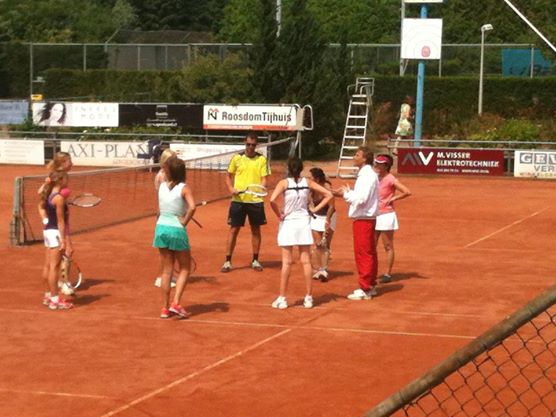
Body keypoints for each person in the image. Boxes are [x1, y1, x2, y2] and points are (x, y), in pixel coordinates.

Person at [269, 157, 333, 309]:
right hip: (304, 223)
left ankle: (282, 298)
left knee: (287, 262)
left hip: (289, 223)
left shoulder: (283, 183)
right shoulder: (308, 183)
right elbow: (329, 195)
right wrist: (314, 210)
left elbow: (272, 200)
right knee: (306, 261)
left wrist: (279, 215)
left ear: (289, 169)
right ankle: (309, 298)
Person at [333, 146, 380, 300]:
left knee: (363, 252)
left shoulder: (367, 176)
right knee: (369, 252)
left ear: (365, 158)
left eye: (357, 154)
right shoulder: (367, 175)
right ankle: (370, 284)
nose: (354, 156)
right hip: (366, 219)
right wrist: (348, 193)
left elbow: (360, 199)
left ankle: (365, 287)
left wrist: (346, 193)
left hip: (363, 219)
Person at [153, 156, 196, 319]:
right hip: (177, 229)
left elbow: (158, 211)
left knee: (166, 271)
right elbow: (192, 207)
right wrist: (184, 221)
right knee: (185, 267)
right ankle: (176, 303)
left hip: (161, 228)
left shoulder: (161, 187)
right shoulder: (184, 188)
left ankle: (164, 308)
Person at [221, 133, 269, 273]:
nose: (250, 147)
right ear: (245, 143)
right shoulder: (237, 158)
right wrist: (231, 189)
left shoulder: (261, 159)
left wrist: (260, 188)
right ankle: (227, 261)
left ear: (256, 145)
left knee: (255, 230)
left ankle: (255, 260)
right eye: (248, 144)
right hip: (238, 200)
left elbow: (264, 178)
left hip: (255, 200)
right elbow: (228, 176)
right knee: (234, 230)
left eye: (253, 145)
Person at [38, 152, 75, 296]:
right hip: (58, 226)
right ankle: (62, 283)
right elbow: (41, 197)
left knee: (60, 257)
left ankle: (54, 288)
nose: (72, 163)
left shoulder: (61, 178)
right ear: (63, 163)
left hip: (58, 223)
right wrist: (46, 218)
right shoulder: (55, 178)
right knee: (66, 253)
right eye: (70, 161)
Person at [373, 154, 411, 283]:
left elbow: (407, 191)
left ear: (386, 166)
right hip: (374, 215)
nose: (376, 165)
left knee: (388, 246)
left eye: (379, 163)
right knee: (371, 245)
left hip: (386, 215)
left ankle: (387, 274)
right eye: (376, 163)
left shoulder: (390, 179)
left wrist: (394, 198)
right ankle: (372, 271)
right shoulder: (375, 178)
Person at [153, 148, 178, 288]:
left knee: (169, 248)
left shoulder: (167, 175)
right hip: (164, 214)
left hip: (168, 213)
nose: (176, 162)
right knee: (164, 250)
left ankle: (167, 274)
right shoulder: (163, 176)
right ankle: (160, 277)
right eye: (173, 159)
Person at [309, 167, 336, 282]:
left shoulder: (327, 188)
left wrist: (327, 220)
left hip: (328, 216)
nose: (308, 180)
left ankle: (324, 269)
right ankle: (320, 268)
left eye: (310, 178)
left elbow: (331, 206)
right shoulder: (311, 188)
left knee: (325, 245)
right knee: (318, 244)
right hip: (316, 217)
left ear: (317, 179)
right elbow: (310, 203)